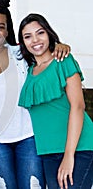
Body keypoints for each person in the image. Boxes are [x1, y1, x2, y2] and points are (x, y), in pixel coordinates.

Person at [0, 0, 71, 189]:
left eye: (1, 26)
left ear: (7, 31)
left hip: (28, 137)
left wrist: (58, 45)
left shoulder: (21, 53)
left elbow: (45, 53)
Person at [18, 13, 93, 189]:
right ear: (22, 43)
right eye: (28, 36)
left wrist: (69, 155)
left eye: (40, 33)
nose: (35, 40)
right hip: (47, 152)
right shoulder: (29, 71)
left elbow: (78, 106)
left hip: (79, 148)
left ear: (49, 33)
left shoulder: (63, 60)